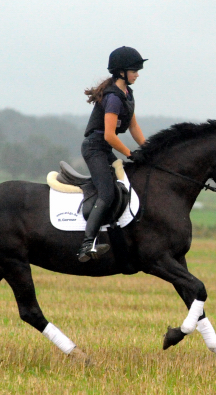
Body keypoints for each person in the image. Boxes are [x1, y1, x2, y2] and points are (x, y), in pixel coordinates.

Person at [77, 46, 147, 262]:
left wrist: (147, 150)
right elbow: (109, 135)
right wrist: (130, 153)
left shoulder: (127, 94)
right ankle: (87, 243)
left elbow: (133, 127)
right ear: (121, 72)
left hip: (104, 149)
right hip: (95, 148)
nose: (137, 74)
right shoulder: (114, 98)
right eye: (134, 70)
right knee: (107, 193)